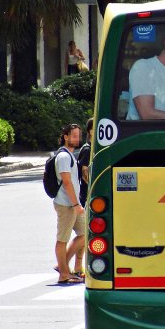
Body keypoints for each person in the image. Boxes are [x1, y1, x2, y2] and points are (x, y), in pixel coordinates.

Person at [53, 124, 86, 284]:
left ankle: (62, 265)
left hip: (73, 203)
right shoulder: (64, 156)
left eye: (78, 136)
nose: (77, 139)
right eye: (73, 136)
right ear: (65, 137)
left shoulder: (70, 155)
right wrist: (76, 205)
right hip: (66, 204)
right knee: (62, 239)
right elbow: (66, 182)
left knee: (85, 233)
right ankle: (64, 273)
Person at [77, 118, 93, 207]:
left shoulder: (91, 148)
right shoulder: (87, 150)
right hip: (87, 195)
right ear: (91, 131)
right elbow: (85, 175)